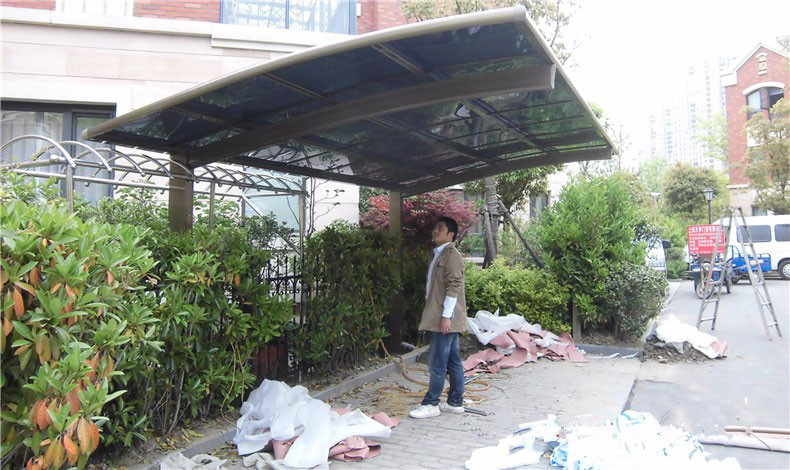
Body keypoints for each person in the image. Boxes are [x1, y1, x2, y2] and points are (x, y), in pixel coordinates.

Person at [409, 216, 467, 419]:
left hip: (445, 318)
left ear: (450, 234)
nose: (435, 231)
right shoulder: (439, 254)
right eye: (435, 228)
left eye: (440, 228)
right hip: (443, 316)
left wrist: (446, 316)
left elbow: (454, 286)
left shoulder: (452, 256)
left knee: (437, 362)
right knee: (452, 360)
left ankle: (431, 403)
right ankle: (455, 402)